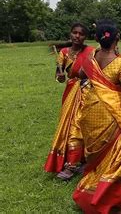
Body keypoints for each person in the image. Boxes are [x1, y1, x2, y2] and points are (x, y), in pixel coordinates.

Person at [72, 20, 121, 212]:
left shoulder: (90, 57)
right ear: (118, 38)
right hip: (111, 116)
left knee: (95, 158)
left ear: (97, 39)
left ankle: (89, 193)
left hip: (90, 113)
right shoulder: (120, 63)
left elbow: (81, 74)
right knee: (115, 158)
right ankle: (110, 202)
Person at [44, 23, 95, 180]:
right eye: (75, 33)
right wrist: (59, 77)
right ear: (70, 34)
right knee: (71, 126)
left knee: (84, 125)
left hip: (89, 92)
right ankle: (73, 162)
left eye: (81, 34)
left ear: (85, 37)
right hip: (71, 93)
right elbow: (59, 76)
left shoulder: (91, 51)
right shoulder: (64, 53)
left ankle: (80, 162)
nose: (77, 36)